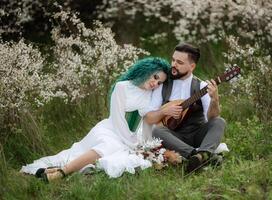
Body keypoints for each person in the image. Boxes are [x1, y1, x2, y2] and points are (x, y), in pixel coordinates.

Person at [21, 57, 170, 181]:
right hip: (112, 129)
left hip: (131, 135)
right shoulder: (122, 87)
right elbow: (117, 119)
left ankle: (54, 171)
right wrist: (130, 143)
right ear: (146, 70)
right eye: (155, 77)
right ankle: (61, 174)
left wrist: (140, 143)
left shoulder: (150, 94)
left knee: (118, 156)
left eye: (159, 83)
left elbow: (145, 120)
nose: (155, 83)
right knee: (109, 145)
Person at [144, 43, 226, 173]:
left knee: (219, 121)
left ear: (192, 66)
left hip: (197, 135)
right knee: (156, 131)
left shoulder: (201, 86)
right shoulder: (163, 86)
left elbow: (211, 118)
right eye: (173, 60)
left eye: (180, 62)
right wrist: (164, 111)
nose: (174, 65)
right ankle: (200, 156)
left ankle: (199, 156)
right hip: (174, 138)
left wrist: (215, 99)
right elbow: (148, 118)